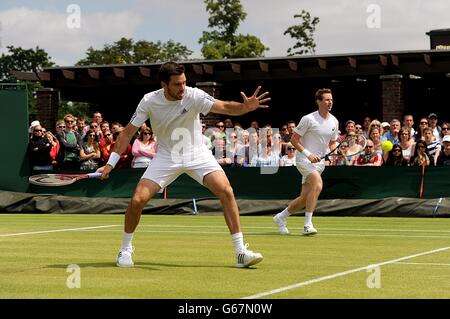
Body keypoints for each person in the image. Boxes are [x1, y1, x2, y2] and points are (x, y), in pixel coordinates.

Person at [96, 61, 269, 268]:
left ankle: (241, 252)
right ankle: (125, 249)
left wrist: (244, 107)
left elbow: (223, 106)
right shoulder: (149, 101)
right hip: (166, 157)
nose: (182, 88)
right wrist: (111, 163)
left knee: (226, 191)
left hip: (197, 154)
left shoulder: (193, 95)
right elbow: (127, 133)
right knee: (137, 200)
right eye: (177, 84)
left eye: (184, 82)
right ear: (164, 85)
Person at [273, 88, 338, 236]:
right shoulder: (308, 119)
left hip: (319, 163)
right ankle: (307, 225)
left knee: (304, 199)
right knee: (318, 184)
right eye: (327, 100)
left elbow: (332, 143)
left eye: (331, 100)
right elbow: (294, 140)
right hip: (304, 159)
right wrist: (308, 154)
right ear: (319, 102)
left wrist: (335, 152)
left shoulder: (334, 121)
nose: (330, 102)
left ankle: (280, 217)